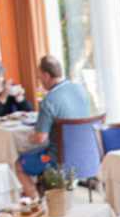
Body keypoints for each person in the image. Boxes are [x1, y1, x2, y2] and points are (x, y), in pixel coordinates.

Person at [18, 55, 95, 196]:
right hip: (87, 154)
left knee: (20, 163)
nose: (40, 81)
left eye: (39, 77)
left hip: (56, 160)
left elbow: (40, 138)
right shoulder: (80, 89)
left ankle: (37, 202)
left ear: (46, 76)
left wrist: (28, 138)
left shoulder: (49, 100)